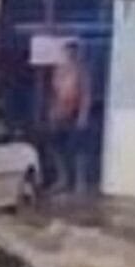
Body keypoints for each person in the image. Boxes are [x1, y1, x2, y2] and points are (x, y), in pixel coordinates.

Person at [48, 40, 91, 195]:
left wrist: (83, 115)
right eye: (67, 52)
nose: (69, 55)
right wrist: (52, 111)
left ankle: (80, 182)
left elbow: (86, 94)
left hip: (75, 112)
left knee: (78, 148)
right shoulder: (59, 70)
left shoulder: (81, 71)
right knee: (56, 146)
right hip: (59, 112)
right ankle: (63, 178)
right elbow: (54, 93)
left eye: (73, 52)